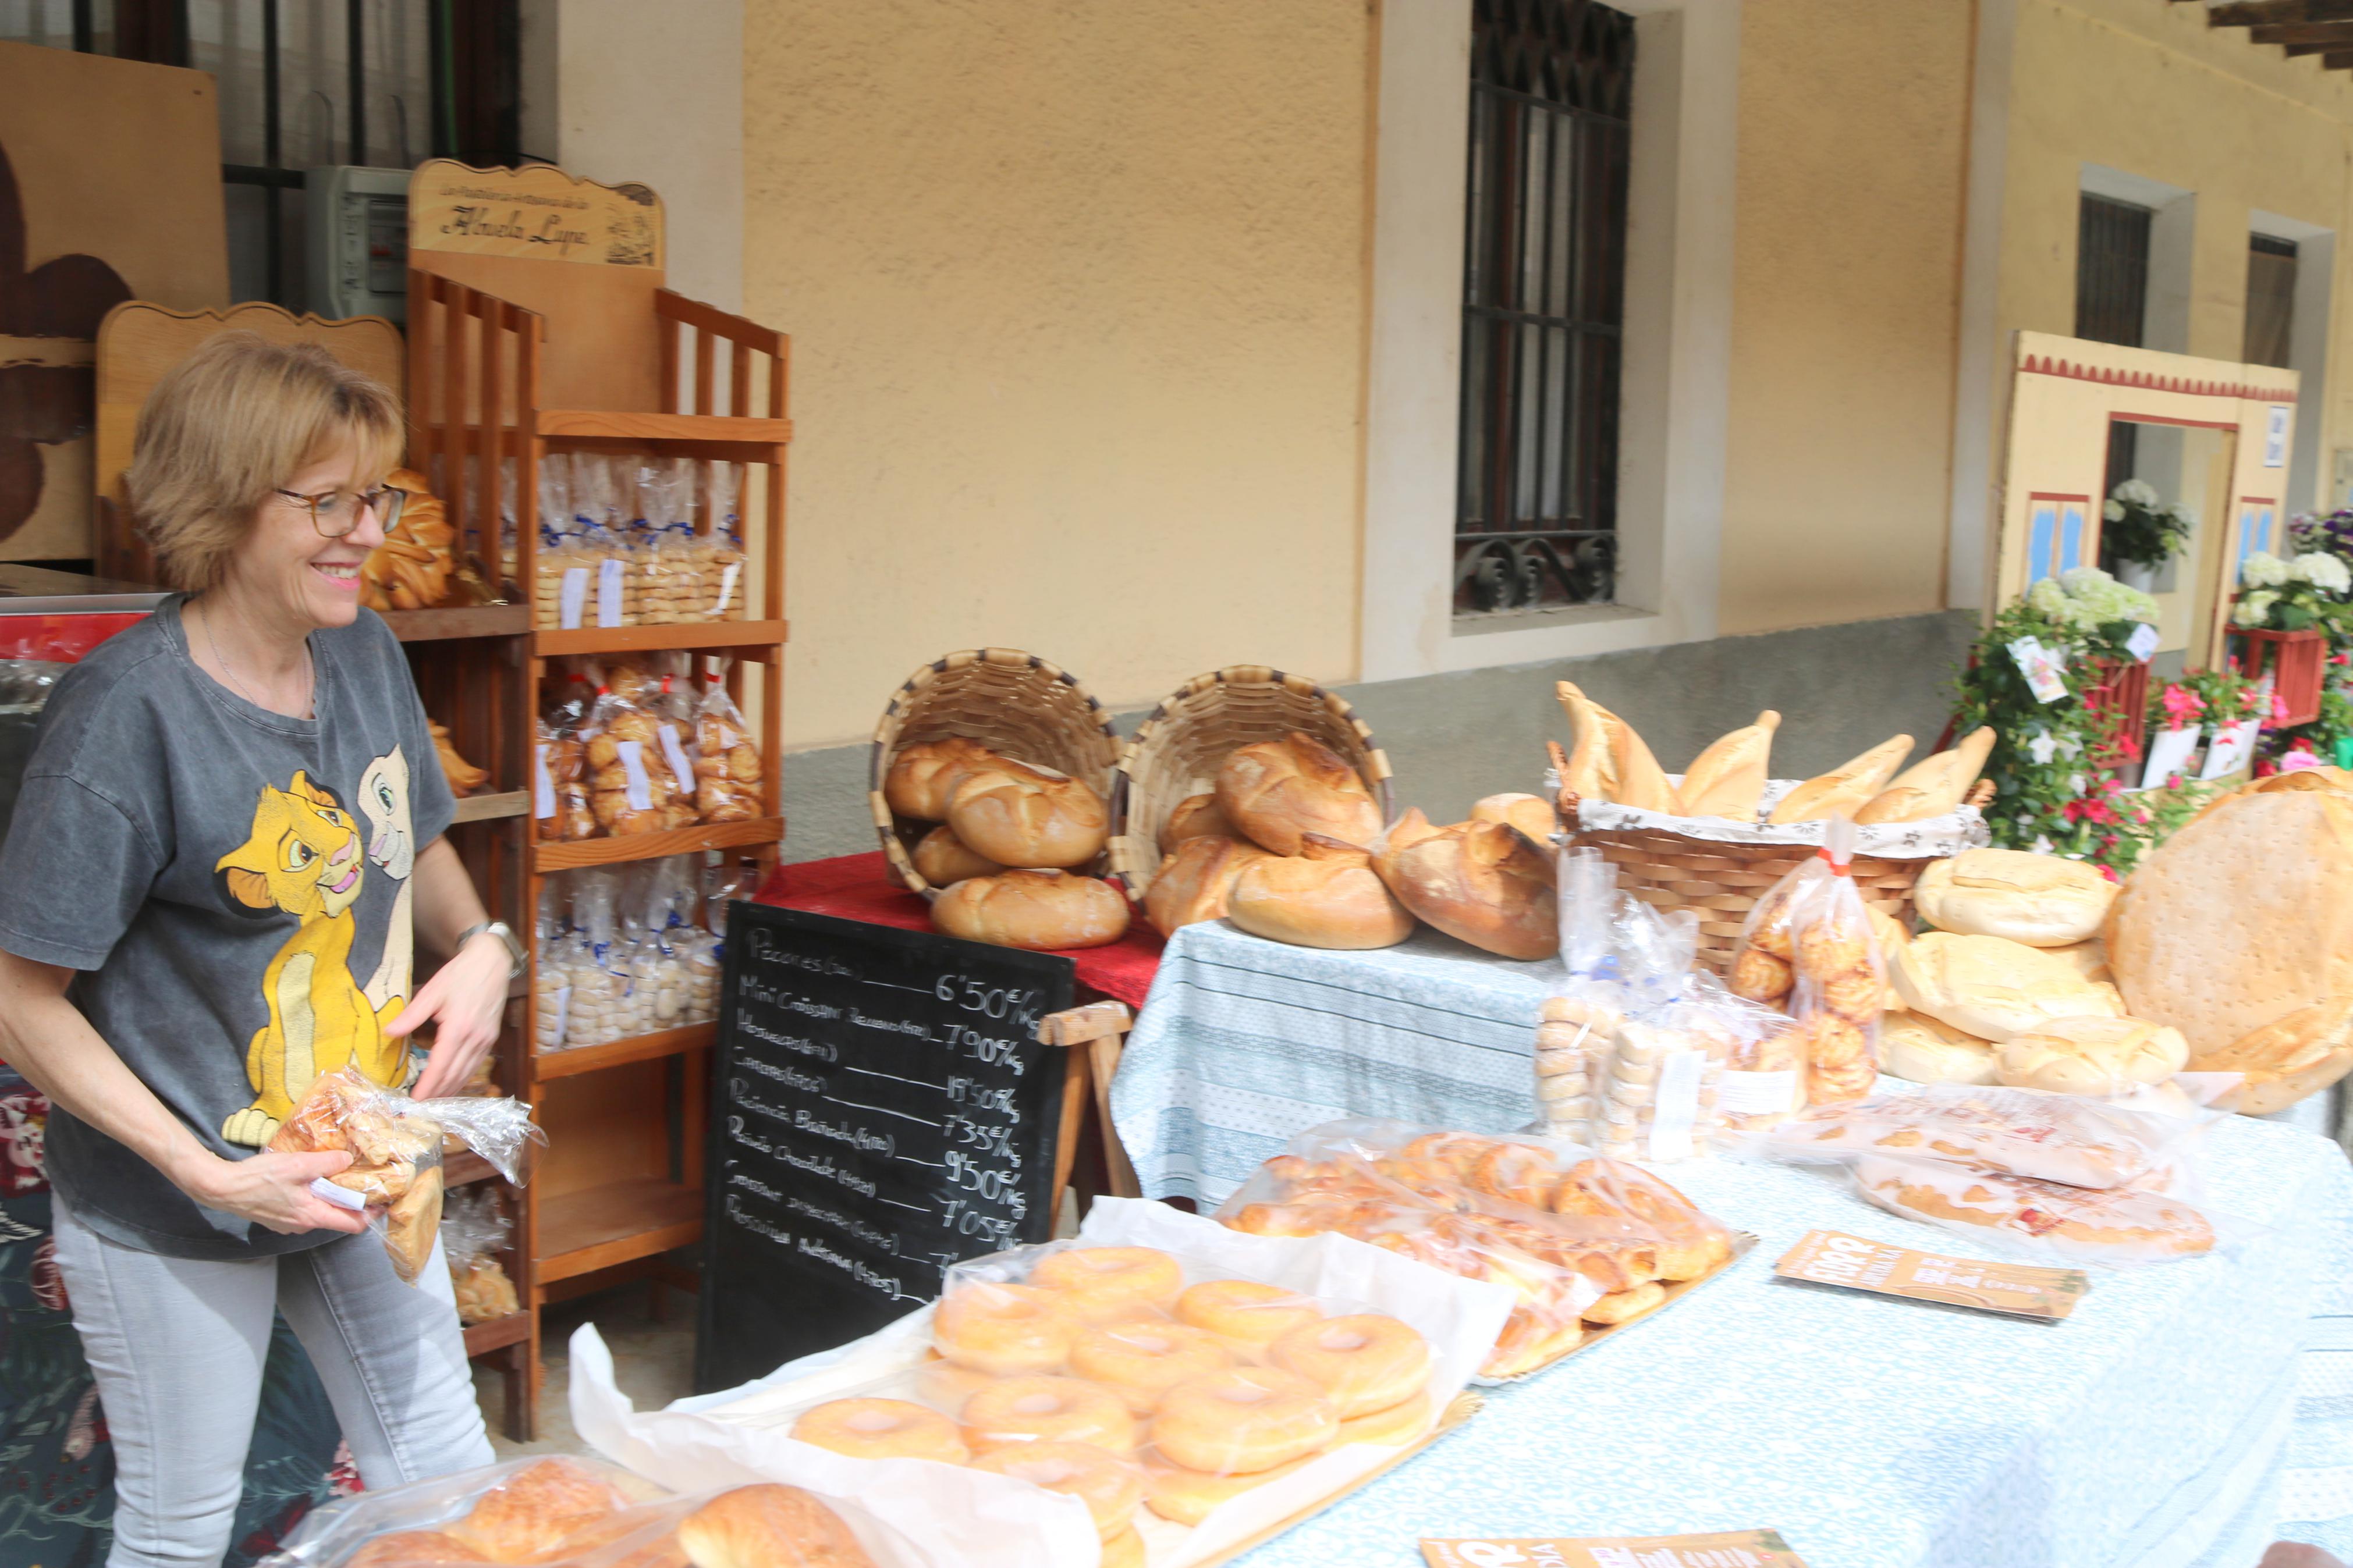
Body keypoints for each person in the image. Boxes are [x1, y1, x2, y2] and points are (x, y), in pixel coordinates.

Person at [0, 334, 515, 1566]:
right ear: (223, 501)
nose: (363, 531)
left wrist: (486, 945)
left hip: (356, 1158)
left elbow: (417, 836)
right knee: (183, 1528)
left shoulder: (365, 650)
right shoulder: (126, 721)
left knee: (446, 1477)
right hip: (176, 1201)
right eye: (325, 501)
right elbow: (21, 1001)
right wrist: (211, 1173)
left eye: (374, 497)